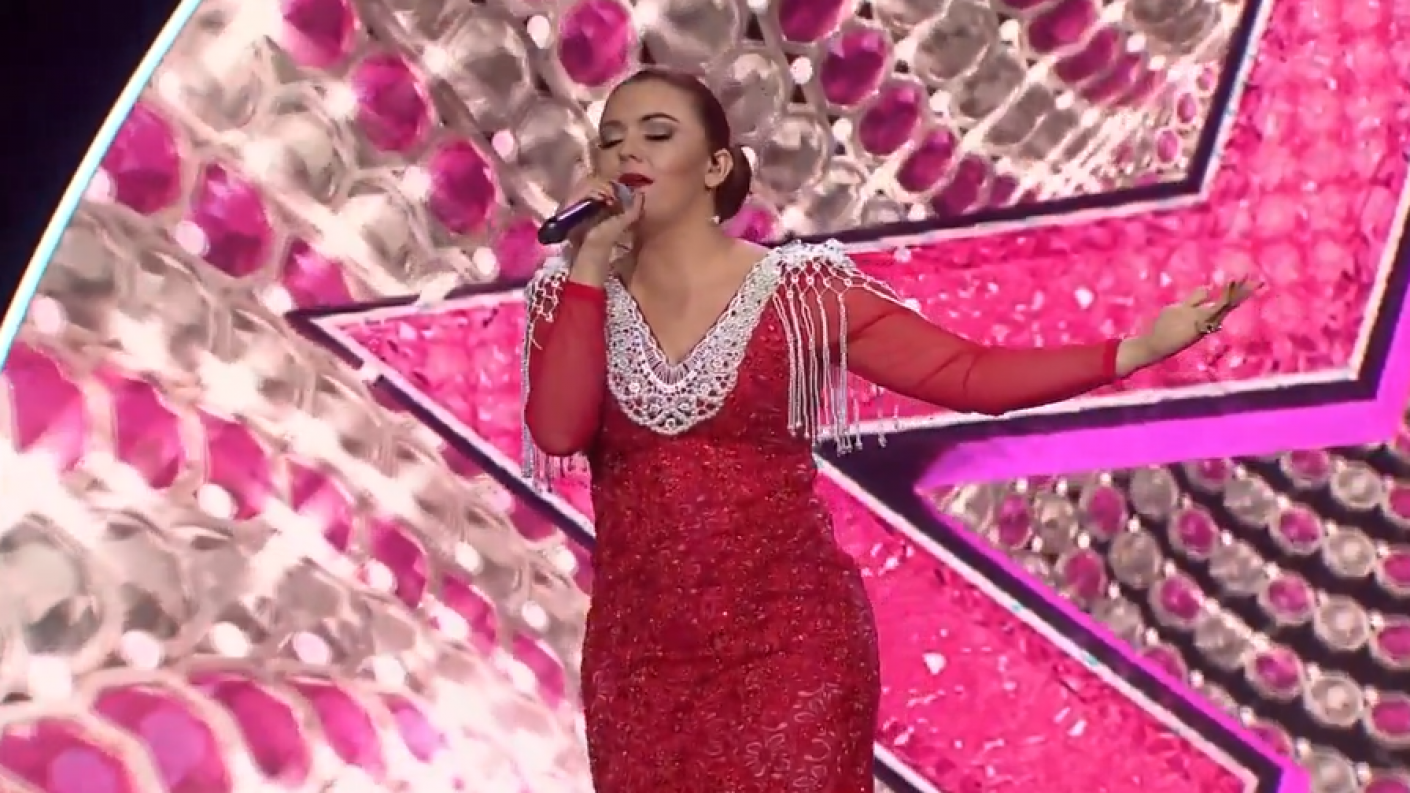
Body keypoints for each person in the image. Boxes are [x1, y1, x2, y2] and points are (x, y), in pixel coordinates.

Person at [520, 68, 1255, 793]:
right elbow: (557, 430)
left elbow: (969, 375)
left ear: (715, 167)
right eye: (611, 139)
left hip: (787, 645)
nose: (627, 152)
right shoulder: (572, 299)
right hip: (642, 663)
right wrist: (590, 261)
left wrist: (1133, 351)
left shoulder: (800, 292)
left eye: (656, 134)